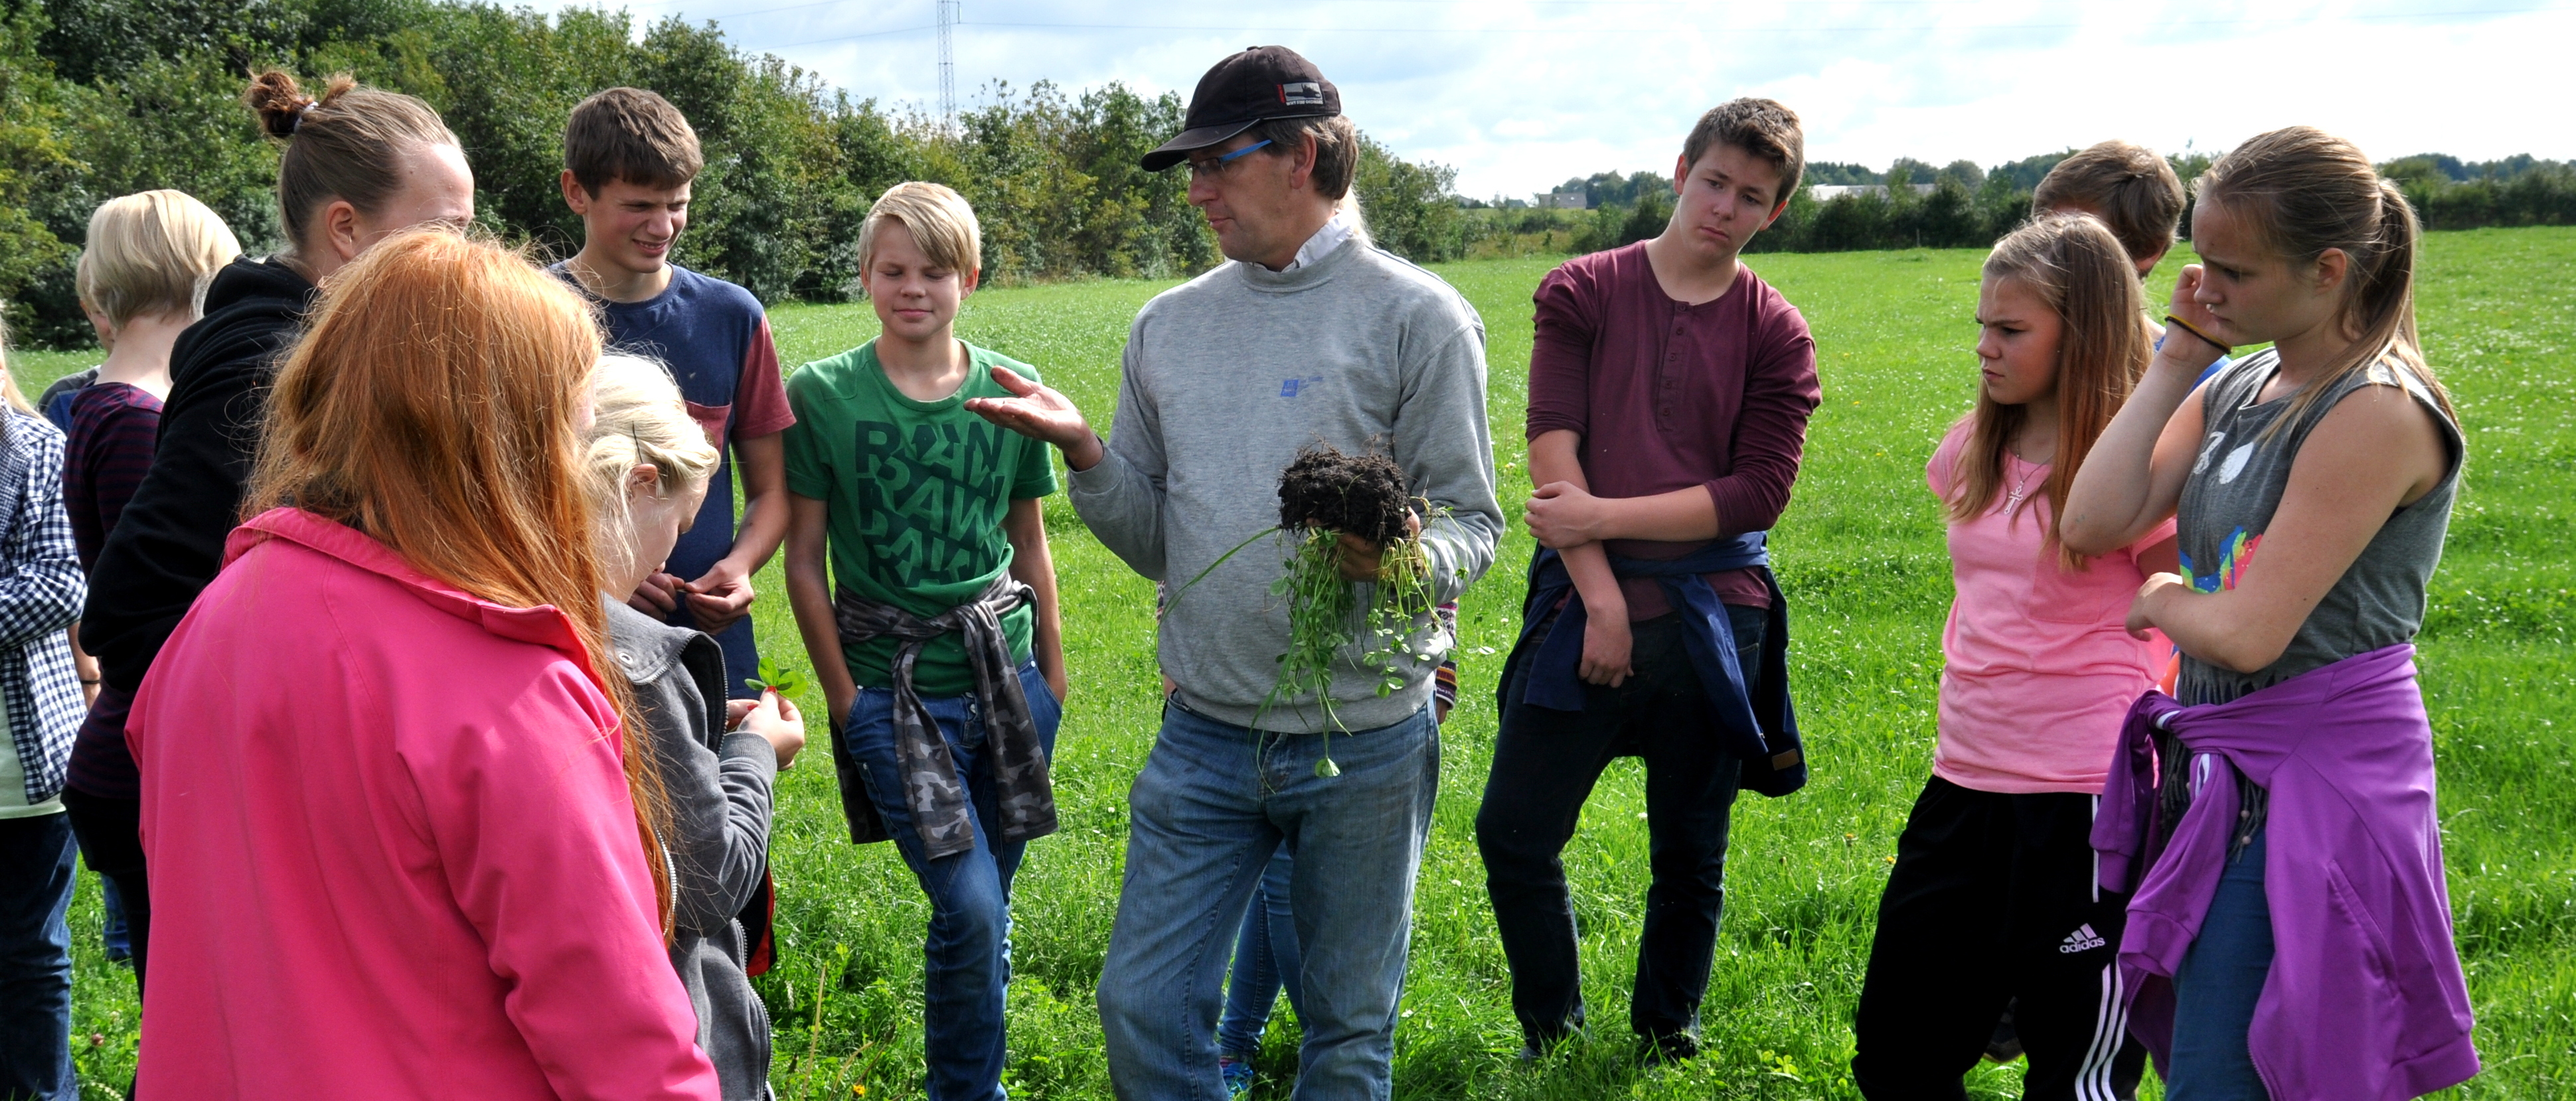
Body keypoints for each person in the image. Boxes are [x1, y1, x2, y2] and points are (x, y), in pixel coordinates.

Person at [966, 46, 1502, 1098]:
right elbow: (1161, 538)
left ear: (1301, 154)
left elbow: (1476, 522)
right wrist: (1087, 455)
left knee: (1347, 1029)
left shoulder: (1420, 318)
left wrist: (1404, 556)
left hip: (1366, 735)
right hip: (1204, 732)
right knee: (1143, 1003)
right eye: (1192, 167)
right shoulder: (1169, 324)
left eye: (1220, 161)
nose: (1198, 190)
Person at [123, 229, 720, 1099]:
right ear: (501, 444)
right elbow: (628, 1047)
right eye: (570, 426)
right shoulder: (506, 689)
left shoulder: (213, 621)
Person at [2063, 127, 2479, 1100]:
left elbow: (2252, 631)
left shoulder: (2375, 408)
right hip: (2229, 772)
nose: (2203, 284)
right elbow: (2093, 518)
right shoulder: (2243, 380)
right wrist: (2182, 357)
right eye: (2199, 258)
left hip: (2317, 784)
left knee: (2247, 1069)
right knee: (2213, 1062)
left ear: (2328, 270)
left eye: (2231, 271)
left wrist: (2164, 597)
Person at [71, 68, 473, 1001]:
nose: (470, 257)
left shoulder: (330, 342)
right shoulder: (265, 364)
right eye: (447, 232)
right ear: (346, 230)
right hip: (185, 790)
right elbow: (132, 599)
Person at [1477, 98, 1820, 1064]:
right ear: (1680, 171)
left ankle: (1669, 1031)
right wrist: (1601, 594)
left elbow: (1758, 492)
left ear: (1775, 213)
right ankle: (1552, 1033)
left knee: (1690, 850)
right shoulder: (1582, 288)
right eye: (1714, 181)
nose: (1724, 206)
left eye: (1751, 197)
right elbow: (1555, 446)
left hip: (1718, 617)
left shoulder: (1777, 333)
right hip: (1584, 600)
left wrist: (1609, 518)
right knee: (1512, 829)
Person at [1847, 213, 2164, 1101]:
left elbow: (2187, 603)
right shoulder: (1973, 446)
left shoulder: (2137, 467)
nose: (1985, 347)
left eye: (2012, 329)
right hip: (1965, 782)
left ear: (2087, 332)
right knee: (1896, 1053)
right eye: (1982, 326)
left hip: (2084, 804)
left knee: (2076, 1075)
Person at [781, 181, 1066, 1101]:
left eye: (935, 270)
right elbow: (805, 559)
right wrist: (842, 696)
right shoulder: (822, 395)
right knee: (973, 901)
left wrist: (1052, 672)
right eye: (894, 269)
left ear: (969, 278)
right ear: (864, 276)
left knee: (985, 909)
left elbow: (1029, 540)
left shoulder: (1010, 388)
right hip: (894, 694)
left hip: (1008, 680)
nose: (915, 288)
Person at [588, 352, 807, 1101]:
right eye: (678, 527)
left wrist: (706, 739)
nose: (671, 554)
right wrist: (753, 754)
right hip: (673, 1032)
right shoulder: (635, 659)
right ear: (642, 487)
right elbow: (708, 883)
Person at [556, 87, 793, 700]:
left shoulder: (732, 316)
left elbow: (772, 490)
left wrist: (739, 569)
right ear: (576, 191)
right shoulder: (526, 316)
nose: (663, 227)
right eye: (639, 205)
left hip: (706, 648)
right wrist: (602, 575)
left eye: (677, 204)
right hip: (572, 639)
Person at [60, 189, 240, 968]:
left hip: (148, 748)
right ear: (207, 268)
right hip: (148, 755)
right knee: (190, 1014)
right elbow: (159, 603)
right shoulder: (139, 418)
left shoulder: (112, 401)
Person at [1213, 604, 1459, 1099]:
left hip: (1367, 712)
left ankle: (1323, 1052)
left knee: (1290, 881)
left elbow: (1435, 571)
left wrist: (1440, 681)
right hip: (1246, 697)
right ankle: (1254, 1040)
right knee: (1280, 878)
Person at [0, 317, 88, 1101]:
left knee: (30, 951)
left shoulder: (34, 450)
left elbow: (61, 582)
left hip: (20, 767)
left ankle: (43, 1092)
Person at [2033, 141, 2233, 390]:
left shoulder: (2204, 382)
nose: (2043, 256)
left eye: (2077, 242)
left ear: (2149, 249)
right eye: (2038, 236)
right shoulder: (2022, 354)